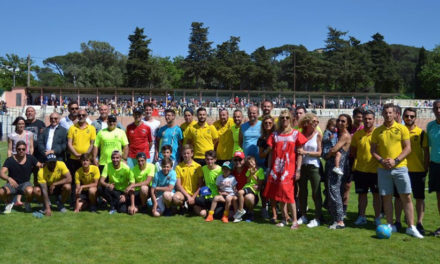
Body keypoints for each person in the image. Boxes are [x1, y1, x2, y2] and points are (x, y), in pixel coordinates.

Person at [371, 103, 423, 238]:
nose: (388, 115)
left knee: (406, 196)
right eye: (385, 112)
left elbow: (408, 148)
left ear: (395, 114)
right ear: (382, 114)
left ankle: (411, 227)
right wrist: (382, 160)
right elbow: (373, 151)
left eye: (390, 112)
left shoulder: (402, 129)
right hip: (383, 169)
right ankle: (390, 224)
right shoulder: (377, 131)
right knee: (386, 197)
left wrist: (396, 160)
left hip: (400, 168)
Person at [263, 110, 307, 230]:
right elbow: (271, 153)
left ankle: (294, 221)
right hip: (277, 169)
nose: (285, 120)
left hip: (289, 169)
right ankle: (284, 218)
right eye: (282, 118)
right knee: (279, 195)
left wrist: (298, 170)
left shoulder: (295, 134)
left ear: (291, 119)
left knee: (289, 194)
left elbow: (300, 154)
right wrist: (269, 168)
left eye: (287, 117)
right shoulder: (275, 135)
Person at [398, 107, 429, 235]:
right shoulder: (399, 131)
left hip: (418, 170)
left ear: (415, 118)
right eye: (406, 116)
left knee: (419, 197)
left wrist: (425, 168)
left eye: (411, 116)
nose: (409, 118)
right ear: (403, 117)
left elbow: (426, 152)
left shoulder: (421, 133)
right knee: (401, 197)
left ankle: (419, 222)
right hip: (402, 169)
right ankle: (398, 221)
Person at [350, 110, 381, 226]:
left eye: (370, 119)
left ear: (374, 120)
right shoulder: (357, 135)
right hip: (361, 170)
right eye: (365, 119)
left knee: (376, 195)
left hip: (376, 170)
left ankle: (377, 217)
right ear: (362, 119)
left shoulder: (378, 133)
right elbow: (353, 152)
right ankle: (361, 216)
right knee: (362, 195)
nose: (367, 121)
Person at [325, 114, 352, 229]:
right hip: (332, 165)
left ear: (348, 123)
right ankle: (335, 217)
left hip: (337, 167)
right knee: (331, 190)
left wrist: (328, 154)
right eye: (339, 120)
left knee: (335, 191)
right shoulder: (338, 133)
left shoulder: (345, 135)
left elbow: (335, 149)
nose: (340, 123)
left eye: (343, 121)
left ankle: (340, 220)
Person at [297, 113, 323, 228]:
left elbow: (319, 153)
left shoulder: (317, 135)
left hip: (314, 167)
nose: (316, 124)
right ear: (307, 122)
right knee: (302, 192)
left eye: (317, 122)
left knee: (316, 192)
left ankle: (317, 217)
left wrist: (306, 153)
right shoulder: (300, 134)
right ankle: (303, 215)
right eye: (314, 121)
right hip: (302, 166)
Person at [0, 141, 41, 213]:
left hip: (25, 184)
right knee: (1, 192)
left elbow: (40, 165)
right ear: (16, 149)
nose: (21, 151)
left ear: (26, 149)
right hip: (12, 184)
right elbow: (1, 173)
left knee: (30, 191)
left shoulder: (30, 158)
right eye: (19, 149)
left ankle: (27, 203)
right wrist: (9, 178)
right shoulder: (10, 160)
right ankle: (8, 204)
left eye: (23, 149)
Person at [67, 109, 96, 204]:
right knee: (74, 181)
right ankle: (74, 200)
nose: (81, 117)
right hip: (74, 158)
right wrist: (75, 153)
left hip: (86, 159)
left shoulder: (91, 128)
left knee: (87, 181)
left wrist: (86, 155)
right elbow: (69, 143)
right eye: (79, 115)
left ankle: (87, 200)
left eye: (83, 115)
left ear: (86, 116)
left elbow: (92, 144)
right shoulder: (72, 128)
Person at [233, 156, 264, 223]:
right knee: (240, 193)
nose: (251, 164)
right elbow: (247, 180)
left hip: (253, 188)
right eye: (249, 163)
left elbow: (260, 182)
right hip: (248, 186)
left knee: (240, 192)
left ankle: (241, 211)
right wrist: (250, 174)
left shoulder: (260, 170)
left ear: (255, 161)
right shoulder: (248, 170)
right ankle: (241, 210)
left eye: (252, 162)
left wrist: (253, 175)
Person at [174, 144, 203, 213]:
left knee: (203, 213)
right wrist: (188, 196)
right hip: (184, 194)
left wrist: (192, 197)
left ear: (192, 154)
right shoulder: (178, 167)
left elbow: (200, 185)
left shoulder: (198, 167)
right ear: (181, 154)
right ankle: (183, 205)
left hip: (195, 195)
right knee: (176, 198)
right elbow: (178, 185)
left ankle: (190, 207)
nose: (186, 155)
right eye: (184, 153)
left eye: (188, 153)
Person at [194, 150, 222, 217]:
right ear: (205, 160)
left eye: (211, 159)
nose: (209, 161)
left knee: (217, 214)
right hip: (206, 195)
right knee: (197, 199)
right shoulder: (203, 168)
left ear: (215, 159)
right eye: (207, 159)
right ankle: (206, 210)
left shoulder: (220, 170)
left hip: (216, 196)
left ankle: (210, 211)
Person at [257, 115, 275, 218]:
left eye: (270, 123)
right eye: (265, 123)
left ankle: (276, 211)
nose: (267, 125)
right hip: (266, 165)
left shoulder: (277, 135)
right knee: (264, 188)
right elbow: (261, 154)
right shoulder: (261, 138)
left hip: (277, 165)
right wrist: (268, 150)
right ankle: (264, 208)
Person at [427, 100, 440, 236]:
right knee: (439, 197)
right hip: (435, 165)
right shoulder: (430, 126)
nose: (439, 110)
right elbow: (428, 147)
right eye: (436, 108)